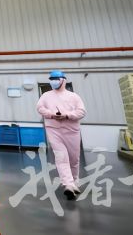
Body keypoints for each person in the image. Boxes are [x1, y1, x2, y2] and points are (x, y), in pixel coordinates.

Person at [36, 70, 86, 200]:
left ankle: (74, 182)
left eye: (56, 79)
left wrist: (67, 115)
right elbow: (40, 108)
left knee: (74, 159)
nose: (54, 81)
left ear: (63, 80)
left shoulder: (74, 96)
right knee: (61, 156)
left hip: (71, 130)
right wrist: (51, 114)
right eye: (51, 79)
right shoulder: (46, 96)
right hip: (53, 130)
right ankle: (68, 184)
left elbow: (81, 112)